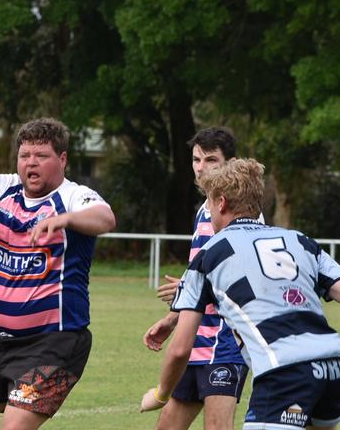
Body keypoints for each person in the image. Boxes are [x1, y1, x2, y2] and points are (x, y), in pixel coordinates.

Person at [0, 117, 116, 430]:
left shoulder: (74, 196)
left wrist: (67, 220)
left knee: (15, 427)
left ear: (62, 159)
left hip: (54, 342)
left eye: (41, 156)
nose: (31, 163)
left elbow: (105, 218)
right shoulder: (2, 188)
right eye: (24, 156)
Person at [140, 158, 340, 430]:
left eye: (209, 204)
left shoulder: (209, 255)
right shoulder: (301, 241)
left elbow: (180, 349)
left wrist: (160, 394)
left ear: (221, 203)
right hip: (331, 365)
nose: (208, 212)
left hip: (284, 370)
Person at [142, 128, 251, 430]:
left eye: (211, 159)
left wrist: (191, 288)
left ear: (231, 163)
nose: (201, 167)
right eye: (196, 159)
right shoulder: (205, 209)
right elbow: (198, 281)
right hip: (194, 341)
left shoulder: (241, 214)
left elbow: (245, 282)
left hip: (226, 343)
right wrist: (172, 317)